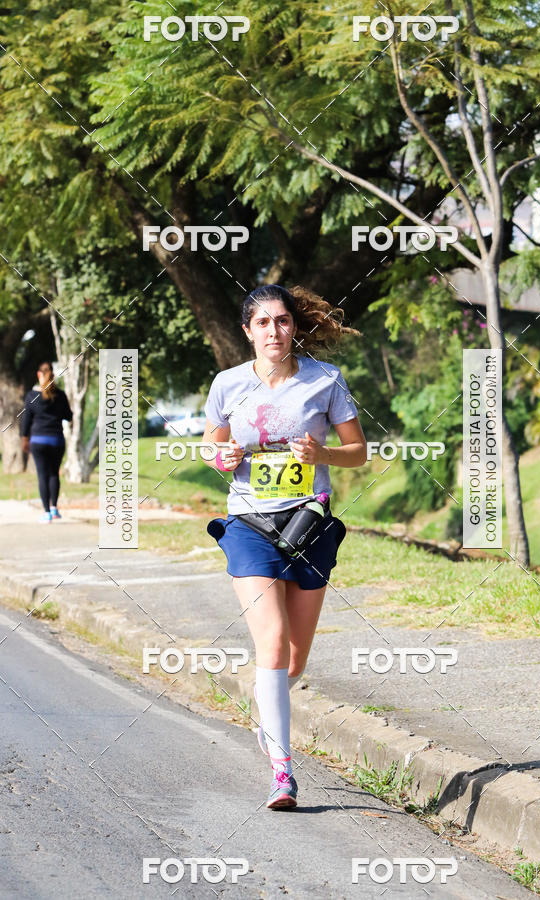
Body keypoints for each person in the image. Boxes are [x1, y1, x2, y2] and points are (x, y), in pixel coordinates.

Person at [203, 284, 367, 810]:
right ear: (247, 331)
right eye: (263, 323)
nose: (274, 331)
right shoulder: (228, 384)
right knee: (270, 642)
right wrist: (221, 458)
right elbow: (212, 444)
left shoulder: (325, 381)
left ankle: (267, 711)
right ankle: (282, 771)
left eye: (283, 321)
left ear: (294, 326)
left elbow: (358, 452)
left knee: (294, 659)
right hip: (249, 524)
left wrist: (323, 452)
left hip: (307, 524)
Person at [20, 362, 73, 524]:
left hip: (38, 441)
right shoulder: (61, 395)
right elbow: (69, 416)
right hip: (57, 439)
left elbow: (26, 421)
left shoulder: (31, 396)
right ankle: (55, 508)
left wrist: (24, 439)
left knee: (42, 475)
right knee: (53, 474)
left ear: (38, 375)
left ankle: (46, 513)